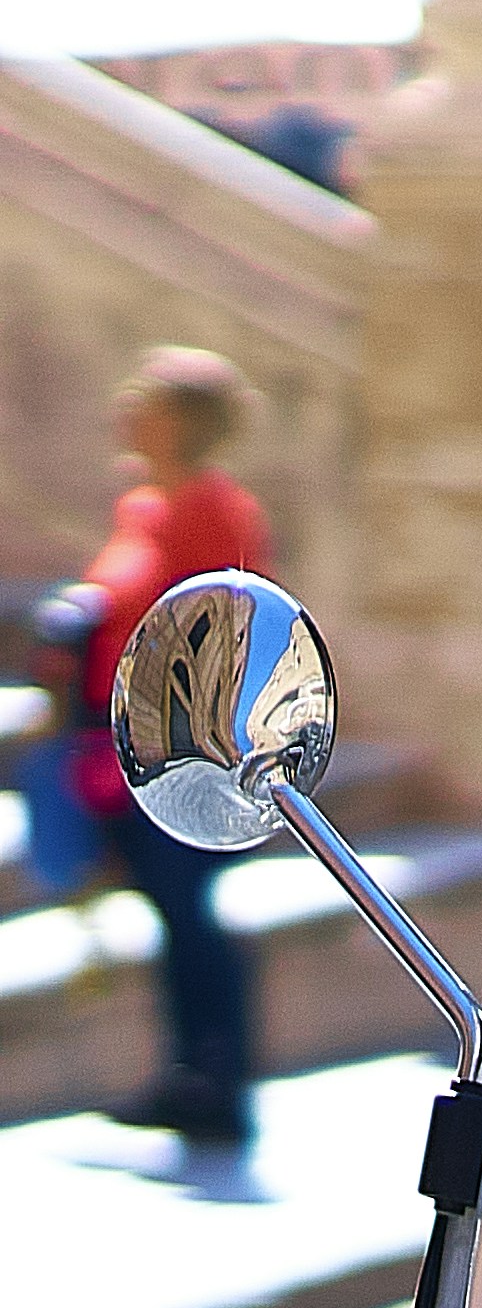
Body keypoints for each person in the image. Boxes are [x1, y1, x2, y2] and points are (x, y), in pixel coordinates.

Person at [71, 345, 275, 1143]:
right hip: (116, 737)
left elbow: (223, 633)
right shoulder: (144, 507)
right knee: (170, 909)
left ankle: (213, 1075)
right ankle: (187, 1068)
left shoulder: (216, 512)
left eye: (146, 399)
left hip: (183, 743)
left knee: (189, 909)